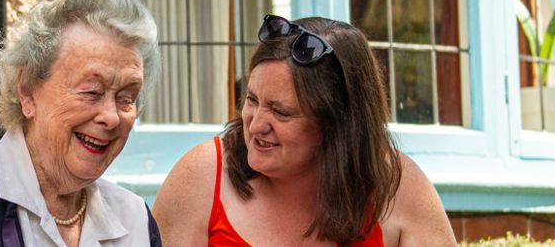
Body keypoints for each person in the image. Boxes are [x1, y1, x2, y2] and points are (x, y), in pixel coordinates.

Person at [153, 16, 456, 246]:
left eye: (281, 112)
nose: (256, 124)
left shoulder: (394, 183)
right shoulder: (203, 175)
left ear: (335, 125)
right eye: (252, 100)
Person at [0, 0, 163, 247]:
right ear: (27, 90)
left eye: (126, 98)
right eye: (92, 91)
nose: (111, 117)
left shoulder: (133, 219)